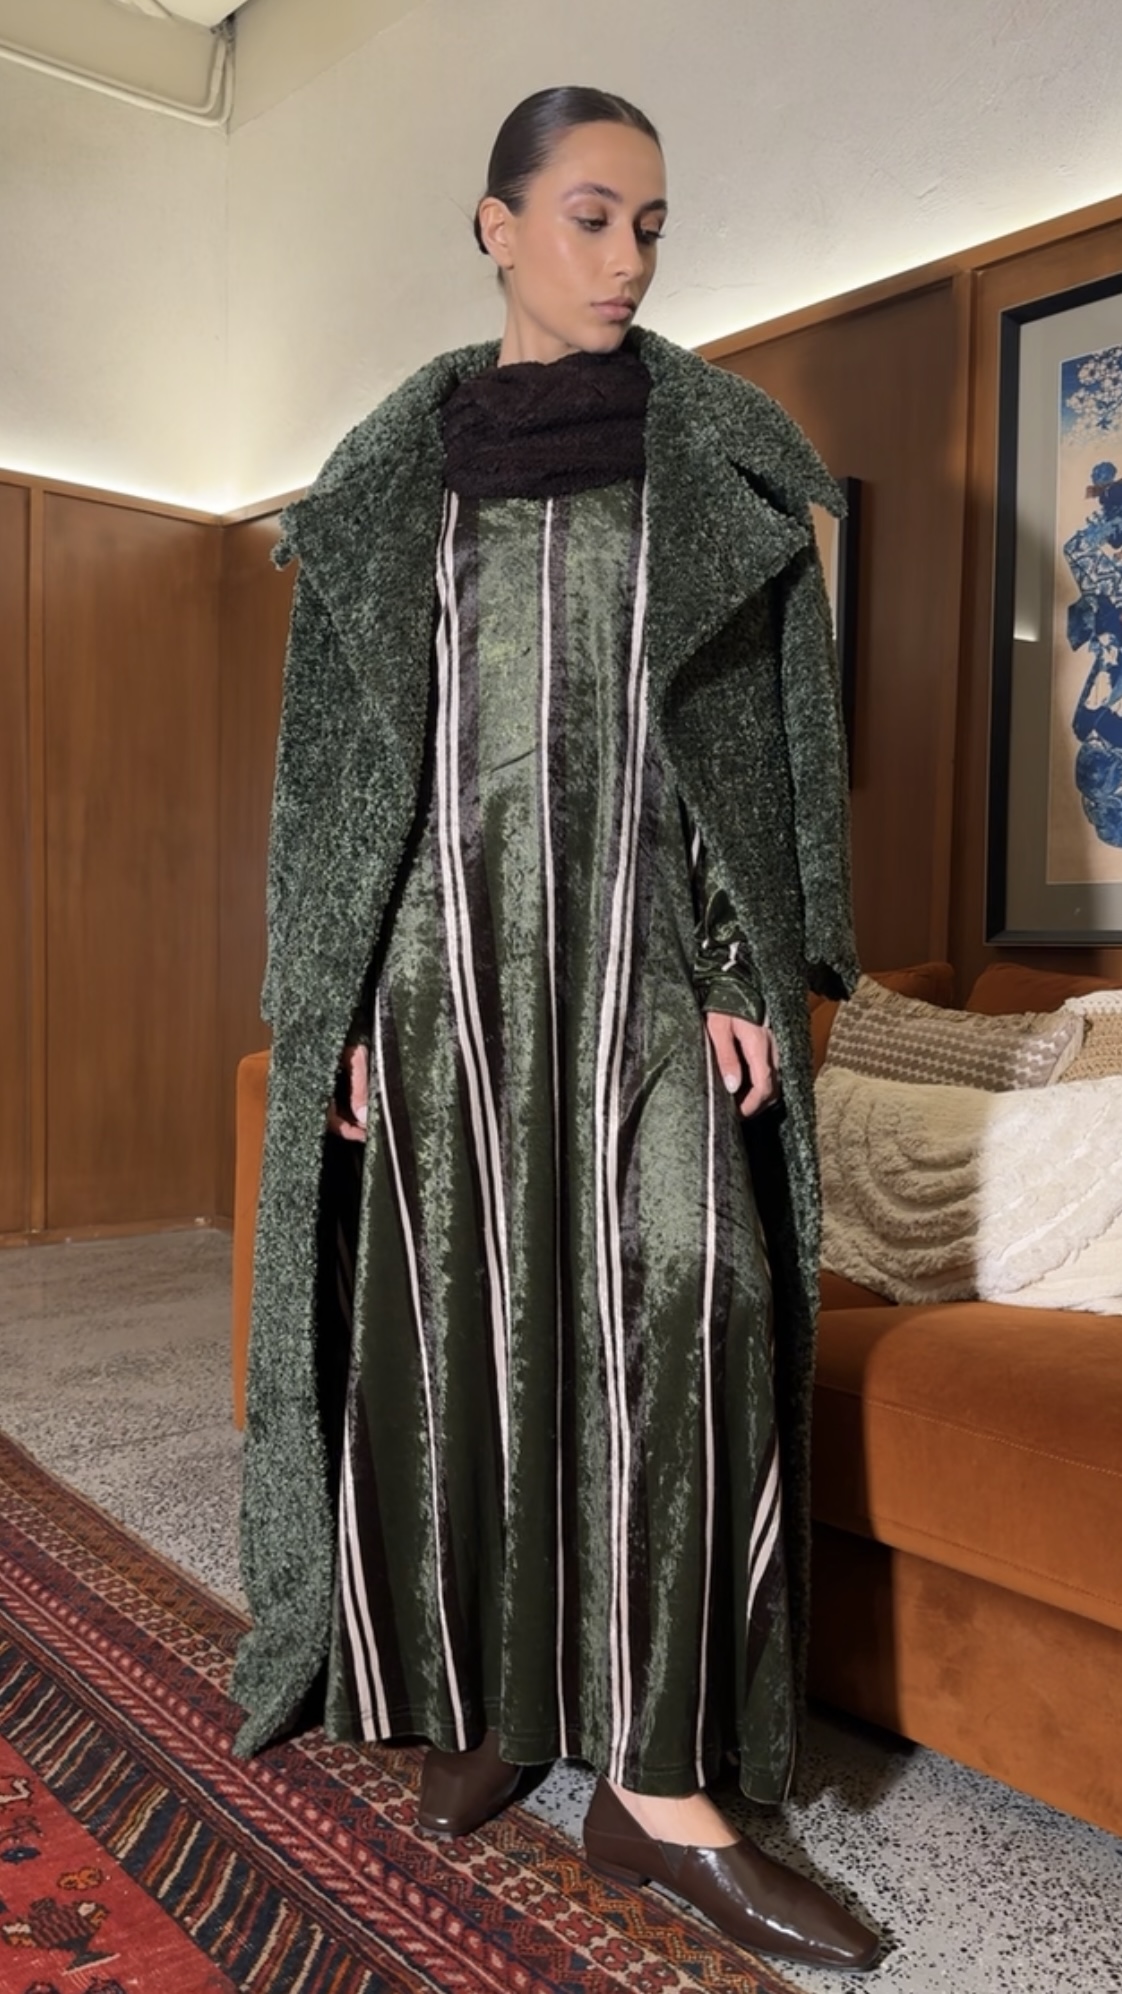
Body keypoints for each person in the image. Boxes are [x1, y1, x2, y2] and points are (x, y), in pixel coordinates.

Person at [233, 86, 875, 1973]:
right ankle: (505, 1695)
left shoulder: (718, 463)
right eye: (592, 217)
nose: (628, 259)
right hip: (441, 972)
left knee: (695, 1294)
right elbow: (333, 789)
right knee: (465, 1329)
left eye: (651, 226)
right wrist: (340, 1000)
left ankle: (659, 1788)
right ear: (495, 225)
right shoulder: (383, 488)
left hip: (645, 962)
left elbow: (775, 760)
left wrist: (752, 963)